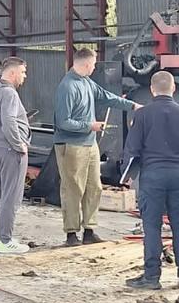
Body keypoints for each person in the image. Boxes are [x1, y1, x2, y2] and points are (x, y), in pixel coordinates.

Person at [121, 71, 179, 291]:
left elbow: (131, 149)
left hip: (152, 176)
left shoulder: (142, 115)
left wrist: (127, 176)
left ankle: (151, 277)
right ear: (173, 89)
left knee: (151, 226)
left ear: (152, 90)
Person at [53, 48, 140, 246]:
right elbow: (63, 122)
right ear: (85, 64)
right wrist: (89, 126)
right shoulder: (67, 87)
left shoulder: (86, 82)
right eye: (93, 64)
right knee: (73, 189)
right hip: (72, 146)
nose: (94, 68)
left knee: (94, 187)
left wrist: (132, 105)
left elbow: (106, 96)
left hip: (90, 143)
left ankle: (89, 230)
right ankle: (71, 234)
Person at [0, 57, 31, 254]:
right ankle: (5, 240)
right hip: (9, 151)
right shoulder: (9, 93)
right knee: (12, 197)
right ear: (12, 73)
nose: (24, 76)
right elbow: (9, 121)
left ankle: (0, 236)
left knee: (4, 195)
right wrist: (19, 145)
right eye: (23, 72)